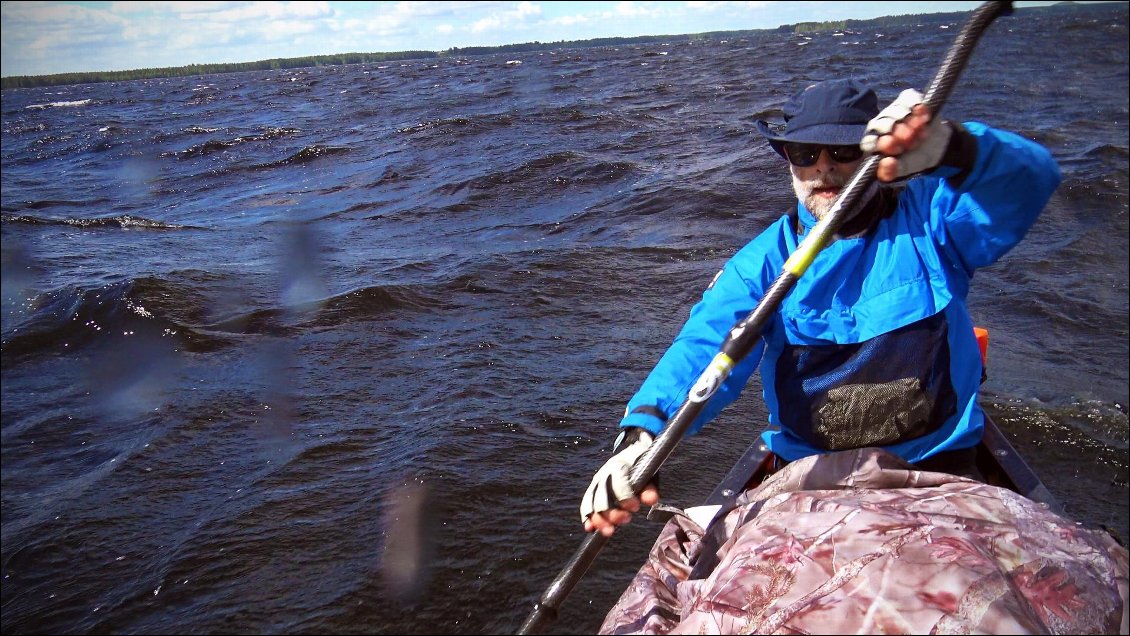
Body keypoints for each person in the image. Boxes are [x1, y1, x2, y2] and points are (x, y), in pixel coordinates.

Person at [580, 78, 1061, 537]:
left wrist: (956, 149)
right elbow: (706, 345)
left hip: (937, 468)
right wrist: (643, 435)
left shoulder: (932, 223)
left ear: (878, 153)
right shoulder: (763, 265)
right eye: (805, 154)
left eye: (845, 151)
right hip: (811, 480)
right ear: (788, 160)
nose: (823, 168)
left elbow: (1030, 179)